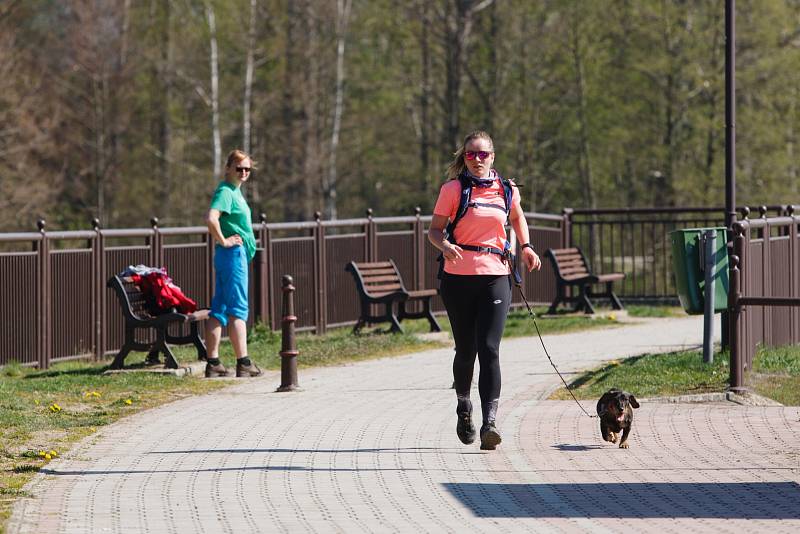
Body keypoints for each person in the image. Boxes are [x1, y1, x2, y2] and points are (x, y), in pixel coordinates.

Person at [428, 130, 541, 450]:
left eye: (483, 154)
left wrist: (527, 247)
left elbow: (518, 218)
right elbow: (434, 231)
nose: (477, 160)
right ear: (464, 158)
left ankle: (490, 423)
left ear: (493, 156)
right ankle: (464, 408)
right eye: (471, 155)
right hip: (458, 278)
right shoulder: (453, 189)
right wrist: (446, 245)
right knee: (466, 351)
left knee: (489, 348)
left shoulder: (507, 190)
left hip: (496, 275)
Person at [204, 149, 263, 378]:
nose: (244, 172)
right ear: (228, 168)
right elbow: (211, 218)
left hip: (228, 256)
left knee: (219, 308)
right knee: (238, 308)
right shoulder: (226, 191)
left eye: (247, 169)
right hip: (232, 256)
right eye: (239, 168)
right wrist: (224, 241)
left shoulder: (235, 192)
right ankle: (244, 363)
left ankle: (214, 363)